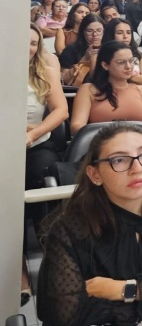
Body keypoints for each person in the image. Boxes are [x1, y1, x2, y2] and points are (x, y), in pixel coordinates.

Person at [37, 123, 142, 326]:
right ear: (95, 174)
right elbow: (65, 314)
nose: (137, 169)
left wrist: (124, 290)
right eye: (119, 160)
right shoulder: (70, 230)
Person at [24, 24, 68, 303]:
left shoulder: (43, 72)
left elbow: (61, 111)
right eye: (23, 41)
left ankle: (57, 269)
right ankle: (18, 274)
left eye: (33, 43)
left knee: (47, 173)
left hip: (34, 144)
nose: (28, 48)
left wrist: (32, 133)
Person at [70, 41, 142, 135]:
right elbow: (77, 126)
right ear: (105, 65)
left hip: (139, 143)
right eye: (121, 62)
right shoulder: (88, 90)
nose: (128, 67)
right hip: (99, 144)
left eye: (131, 61)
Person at [102, 18, 142, 86]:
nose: (125, 36)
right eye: (119, 33)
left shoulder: (140, 56)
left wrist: (122, 76)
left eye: (128, 33)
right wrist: (133, 77)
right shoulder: (101, 55)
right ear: (111, 34)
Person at [58, 13, 105, 86]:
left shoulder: (109, 48)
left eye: (99, 30)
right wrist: (85, 58)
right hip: (77, 89)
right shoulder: (71, 49)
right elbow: (64, 79)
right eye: (90, 31)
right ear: (83, 32)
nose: (95, 34)